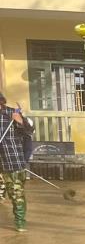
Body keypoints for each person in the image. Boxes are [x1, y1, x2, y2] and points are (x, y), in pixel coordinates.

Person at [0, 93, 34, 232]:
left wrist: (20, 120)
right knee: (6, 191)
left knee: (16, 193)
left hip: (12, 161)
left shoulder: (11, 113)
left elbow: (29, 131)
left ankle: (20, 222)